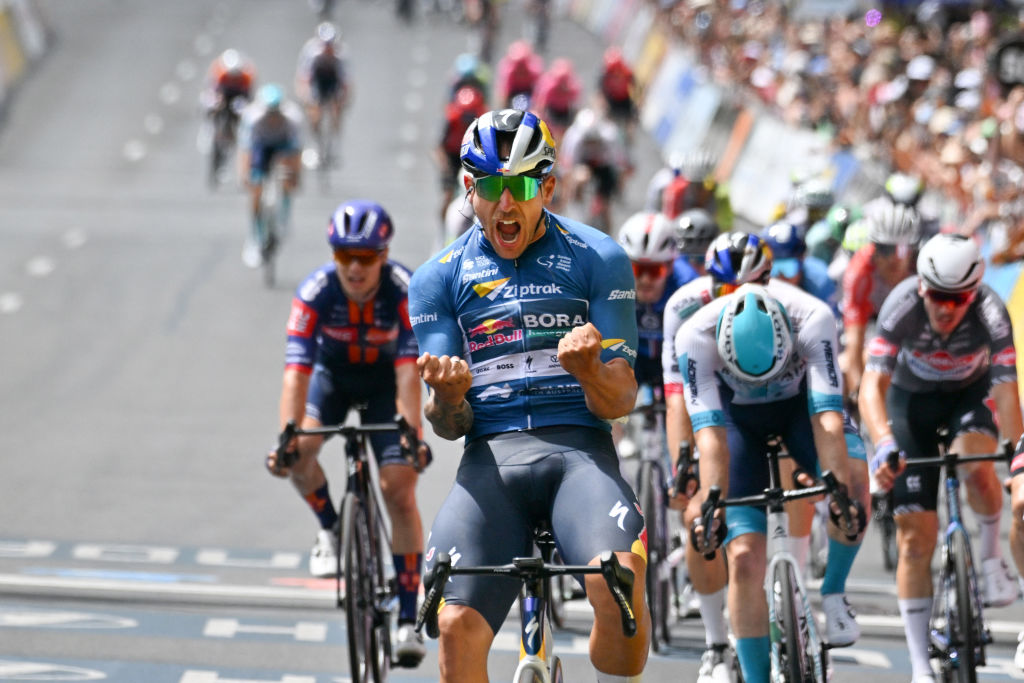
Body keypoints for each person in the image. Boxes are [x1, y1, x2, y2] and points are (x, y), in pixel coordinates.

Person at [408, 108, 650, 681]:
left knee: (621, 599)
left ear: (546, 185)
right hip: (492, 460)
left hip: (579, 456)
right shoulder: (438, 277)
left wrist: (590, 370)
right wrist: (448, 398)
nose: (505, 205)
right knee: (453, 626)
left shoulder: (598, 257)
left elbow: (620, 402)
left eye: (518, 186)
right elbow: (448, 422)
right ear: (470, 188)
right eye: (489, 187)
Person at [264, 200, 430, 668]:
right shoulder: (315, 292)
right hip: (332, 380)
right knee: (300, 453)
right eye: (344, 256)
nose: (355, 268)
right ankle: (331, 530)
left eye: (366, 257)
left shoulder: (404, 291)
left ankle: (407, 615)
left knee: (398, 487)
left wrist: (411, 437)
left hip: (385, 387)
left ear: (384, 254)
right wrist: (286, 440)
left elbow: (407, 377)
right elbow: (295, 375)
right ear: (333, 256)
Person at [678, 282, 869, 683]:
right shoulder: (694, 335)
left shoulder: (813, 319)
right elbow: (709, 436)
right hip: (736, 421)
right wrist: (713, 503)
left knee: (851, 482)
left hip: (802, 408)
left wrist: (835, 490)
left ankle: (834, 593)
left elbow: (828, 417)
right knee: (745, 559)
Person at [859, 233, 1022, 683]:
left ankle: (990, 560)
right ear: (921, 287)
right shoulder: (901, 305)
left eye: (957, 299)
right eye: (936, 296)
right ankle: (917, 665)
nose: (945, 308)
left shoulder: (991, 310)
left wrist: (1018, 461)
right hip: (911, 404)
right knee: (915, 538)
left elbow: (1007, 395)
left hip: (969, 396)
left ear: (973, 293)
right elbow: (871, 386)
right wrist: (885, 442)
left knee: (976, 465)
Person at [661, 230, 773, 682]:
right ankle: (716, 645)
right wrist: (682, 468)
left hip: (768, 401)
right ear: (712, 283)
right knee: (697, 517)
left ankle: (794, 596)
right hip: (710, 398)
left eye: (753, 286)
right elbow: (676, 399)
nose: (740, 297)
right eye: (728, 289)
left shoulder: (789, 306)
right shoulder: (684, 309)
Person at [838, 201, 921, 410]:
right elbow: (854, 342)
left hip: (915, 318)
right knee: (844, 367)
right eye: (884, 249)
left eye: (901, 249)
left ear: (912, 250)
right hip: (877, 319)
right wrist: (858, 392)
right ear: (872, 248)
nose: (893, 257)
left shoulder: (923, 265)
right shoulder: (859, 272)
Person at [237, 83, 303, 267]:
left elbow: (296, 152)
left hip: (284, 144)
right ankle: (255, 235)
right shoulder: (252, 118)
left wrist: (296, 176)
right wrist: (245, 176)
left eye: (276, 113)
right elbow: (245, 152)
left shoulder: (293, 117)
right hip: (260, 146)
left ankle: (284, 217)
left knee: (288, 175)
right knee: (256, 187)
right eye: (269, 113)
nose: (272, 117)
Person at [294, 22, 350, 168]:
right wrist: (305, 96)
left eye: (330, 44)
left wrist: (344, 99)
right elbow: (304, 77)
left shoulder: (341, 54)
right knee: (314, 115)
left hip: (333, 81)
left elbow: (345, 81)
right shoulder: (311, 52)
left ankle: (335, 147)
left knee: (337, 112)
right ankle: (316, 146)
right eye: (325, 44)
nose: (327, 48)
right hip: (317, 81)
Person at [436, 86, 489, 228]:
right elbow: (439, 147)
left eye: (470, 116)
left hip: (472, 156)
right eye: (465, 116)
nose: (467, 121)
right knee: (448, 194)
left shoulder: (483, 122)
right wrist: (446, 169)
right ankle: (445, 225)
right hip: (453, 157)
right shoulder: (452, 120)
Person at [760, 220, 838, 313]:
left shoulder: (821, 282)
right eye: (773, 268)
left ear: (802, 259)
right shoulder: (754, 278)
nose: (780, 276)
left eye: (787, 268)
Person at [647, 149, 734, 231]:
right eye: (694, 184)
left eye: (702, 185)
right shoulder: (677, 189)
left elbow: (725, 226)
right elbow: (669, 221)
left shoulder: (720, 195)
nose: (698, 189)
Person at [532, 57, 582, 145]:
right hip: (552, 111)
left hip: (565, 112)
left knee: (565, 134)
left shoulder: (572, 88)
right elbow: (541, 105)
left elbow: (576, 105)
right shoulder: (549, 88)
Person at [494, 40, 543, 108]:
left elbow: (538, 90)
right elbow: (505, 92)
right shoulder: (509, 72)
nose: (520, 69)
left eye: (522, 66)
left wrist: (537, 106)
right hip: (513, 92)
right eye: (518, 66)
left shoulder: (533, 71)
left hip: (528, 91)